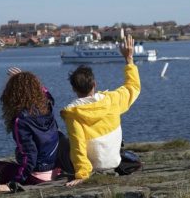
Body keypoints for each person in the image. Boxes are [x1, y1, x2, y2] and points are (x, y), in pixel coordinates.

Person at [60, 35, 141, 187]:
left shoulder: (73, 113)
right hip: (114, 162)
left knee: (60, 143)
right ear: (94, 84)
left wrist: (82, 175)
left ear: (73, 89)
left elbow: (78, 145)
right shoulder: (111, 100)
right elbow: (133, 87)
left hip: (93, 167)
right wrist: (129, 60)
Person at [0, 68, 61, 196]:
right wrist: (28, 81)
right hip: (54, 172)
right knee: (4, 171)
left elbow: (29, 157)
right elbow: (48, 95)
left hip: (36, 177)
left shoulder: (21, 120)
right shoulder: (48, 108)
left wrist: (12, 184)